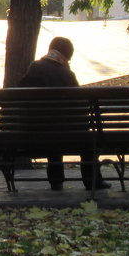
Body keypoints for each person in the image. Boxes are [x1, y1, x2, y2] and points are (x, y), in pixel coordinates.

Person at [18, 36, 107, 190]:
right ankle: (92, 181)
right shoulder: (67, 74)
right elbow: (80, 107)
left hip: (36, 133)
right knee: (85, 139)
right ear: (67, 56)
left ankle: (56, 180)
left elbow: (20, 93)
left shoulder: (34, 67)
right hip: (66, 134)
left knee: (52, 131)